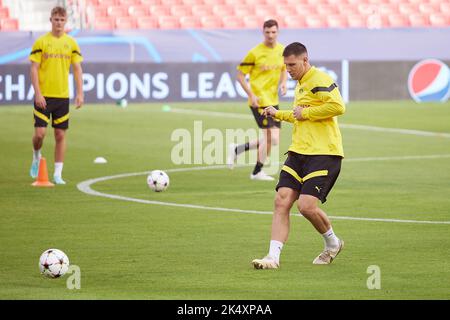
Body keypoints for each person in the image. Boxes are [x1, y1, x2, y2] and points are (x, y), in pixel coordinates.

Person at [252, 42, 345, 268]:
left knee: (306, 206)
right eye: (285, 65)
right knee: (281, 200)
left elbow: (338, 106)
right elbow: (298, 115)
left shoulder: (319, 79)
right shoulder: (301, 84)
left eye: (292, 64)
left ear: (305, 60)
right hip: (298, 152)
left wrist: (307, 113)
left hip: (324, 153)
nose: (289, 69)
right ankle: (272, 257)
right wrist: (278, 113)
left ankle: (333, 244)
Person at [29, 6, 84, 185]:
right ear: (50, 20)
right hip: (43, 96)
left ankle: (58, 174)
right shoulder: (41, 42)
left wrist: (80, 93)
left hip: (62, 97)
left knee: (60, 135)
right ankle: (36, 156)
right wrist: (37, 93)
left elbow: (77, 69)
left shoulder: (71, 43)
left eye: (62, 20)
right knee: (40, 134)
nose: (59, 23)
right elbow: (34, 68)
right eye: (56, 19)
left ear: (65, 21)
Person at [228, 19, 287, 181]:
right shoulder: (255, 52)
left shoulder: (282, 51)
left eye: (273, 32)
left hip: (273, 100)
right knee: (271, 138)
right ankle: (256, 172)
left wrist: (283, 82)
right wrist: (251, 94)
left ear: (278, 32)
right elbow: (240, 75)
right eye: (267, 32)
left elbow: (284, 68)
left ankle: (238, 149)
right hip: (259, 101)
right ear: (263, 32)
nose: (270, 35)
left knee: (273, 140)